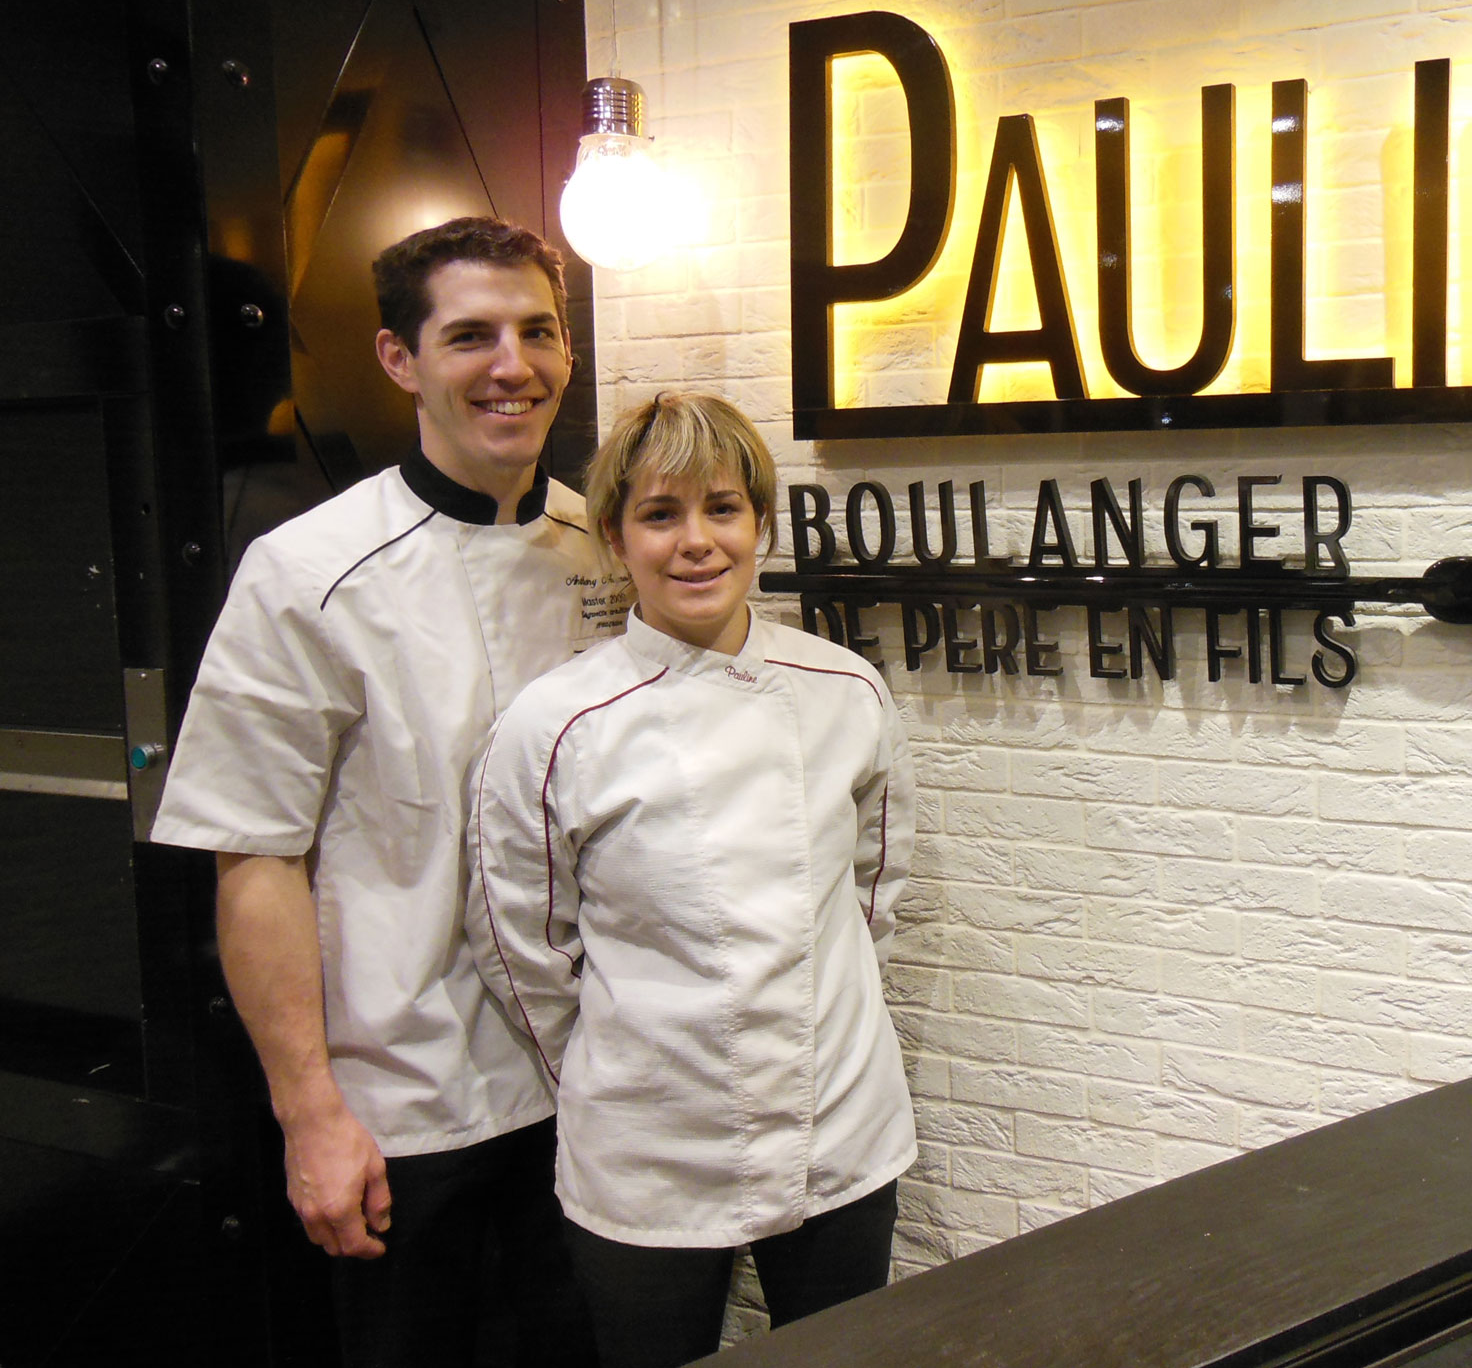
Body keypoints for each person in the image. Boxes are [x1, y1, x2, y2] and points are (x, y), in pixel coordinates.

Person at [152, 216, 621, 1367]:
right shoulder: (308, 574)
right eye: (470, 336)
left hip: (592, 1085)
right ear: (399, 359)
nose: (512, 365)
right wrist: (308, 1112)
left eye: (537, 332)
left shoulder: (604, 550)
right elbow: (252, 858)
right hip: (408, 1108)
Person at [466, 391, 916, 1368]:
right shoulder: (554, 725)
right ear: (616, 538)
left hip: (839, 1120)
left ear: (760, 522)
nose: (696, 542)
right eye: (660, 514)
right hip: (647, 1145)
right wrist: (621, 1064)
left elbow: (873, 888)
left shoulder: (846, 690)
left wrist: (820, 1006)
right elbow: (522, 943)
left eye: (722, 508)